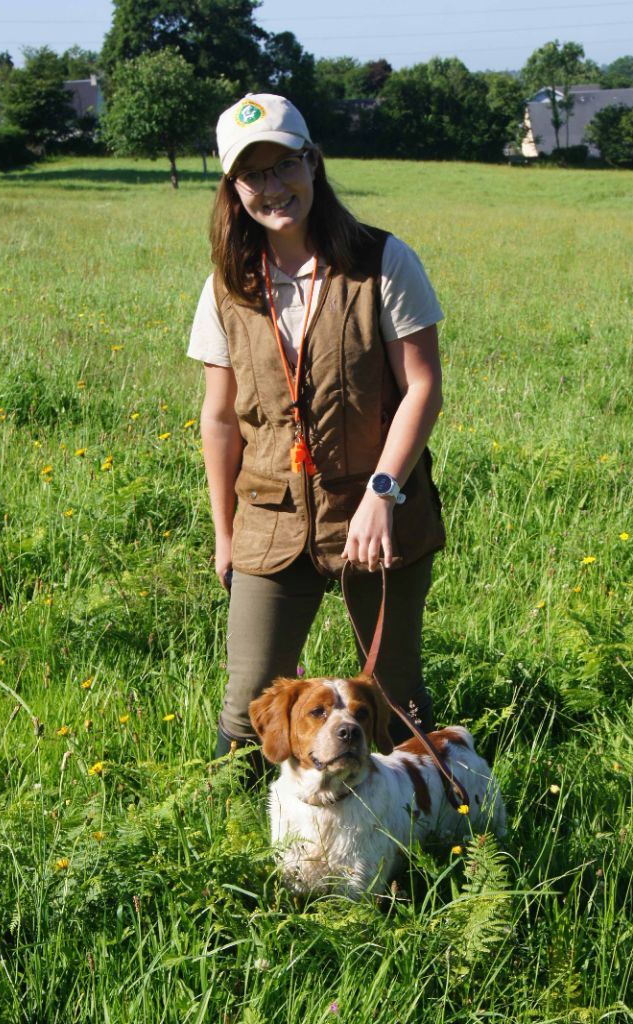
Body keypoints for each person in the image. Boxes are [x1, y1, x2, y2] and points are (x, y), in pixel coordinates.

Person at [187, 93, 446, 765]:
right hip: (271, 521)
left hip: (376, 517)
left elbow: (423, 387)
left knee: (393, 697)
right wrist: (225, 535)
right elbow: (219, 419)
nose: (273, 187)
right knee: (248, 703)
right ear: (233, 188)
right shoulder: (227, 285)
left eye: (285, 165)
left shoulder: (383, 262)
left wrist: (382, 496)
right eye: (254, 174)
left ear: (313, 162)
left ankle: (437, 823)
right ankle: (234, 838)